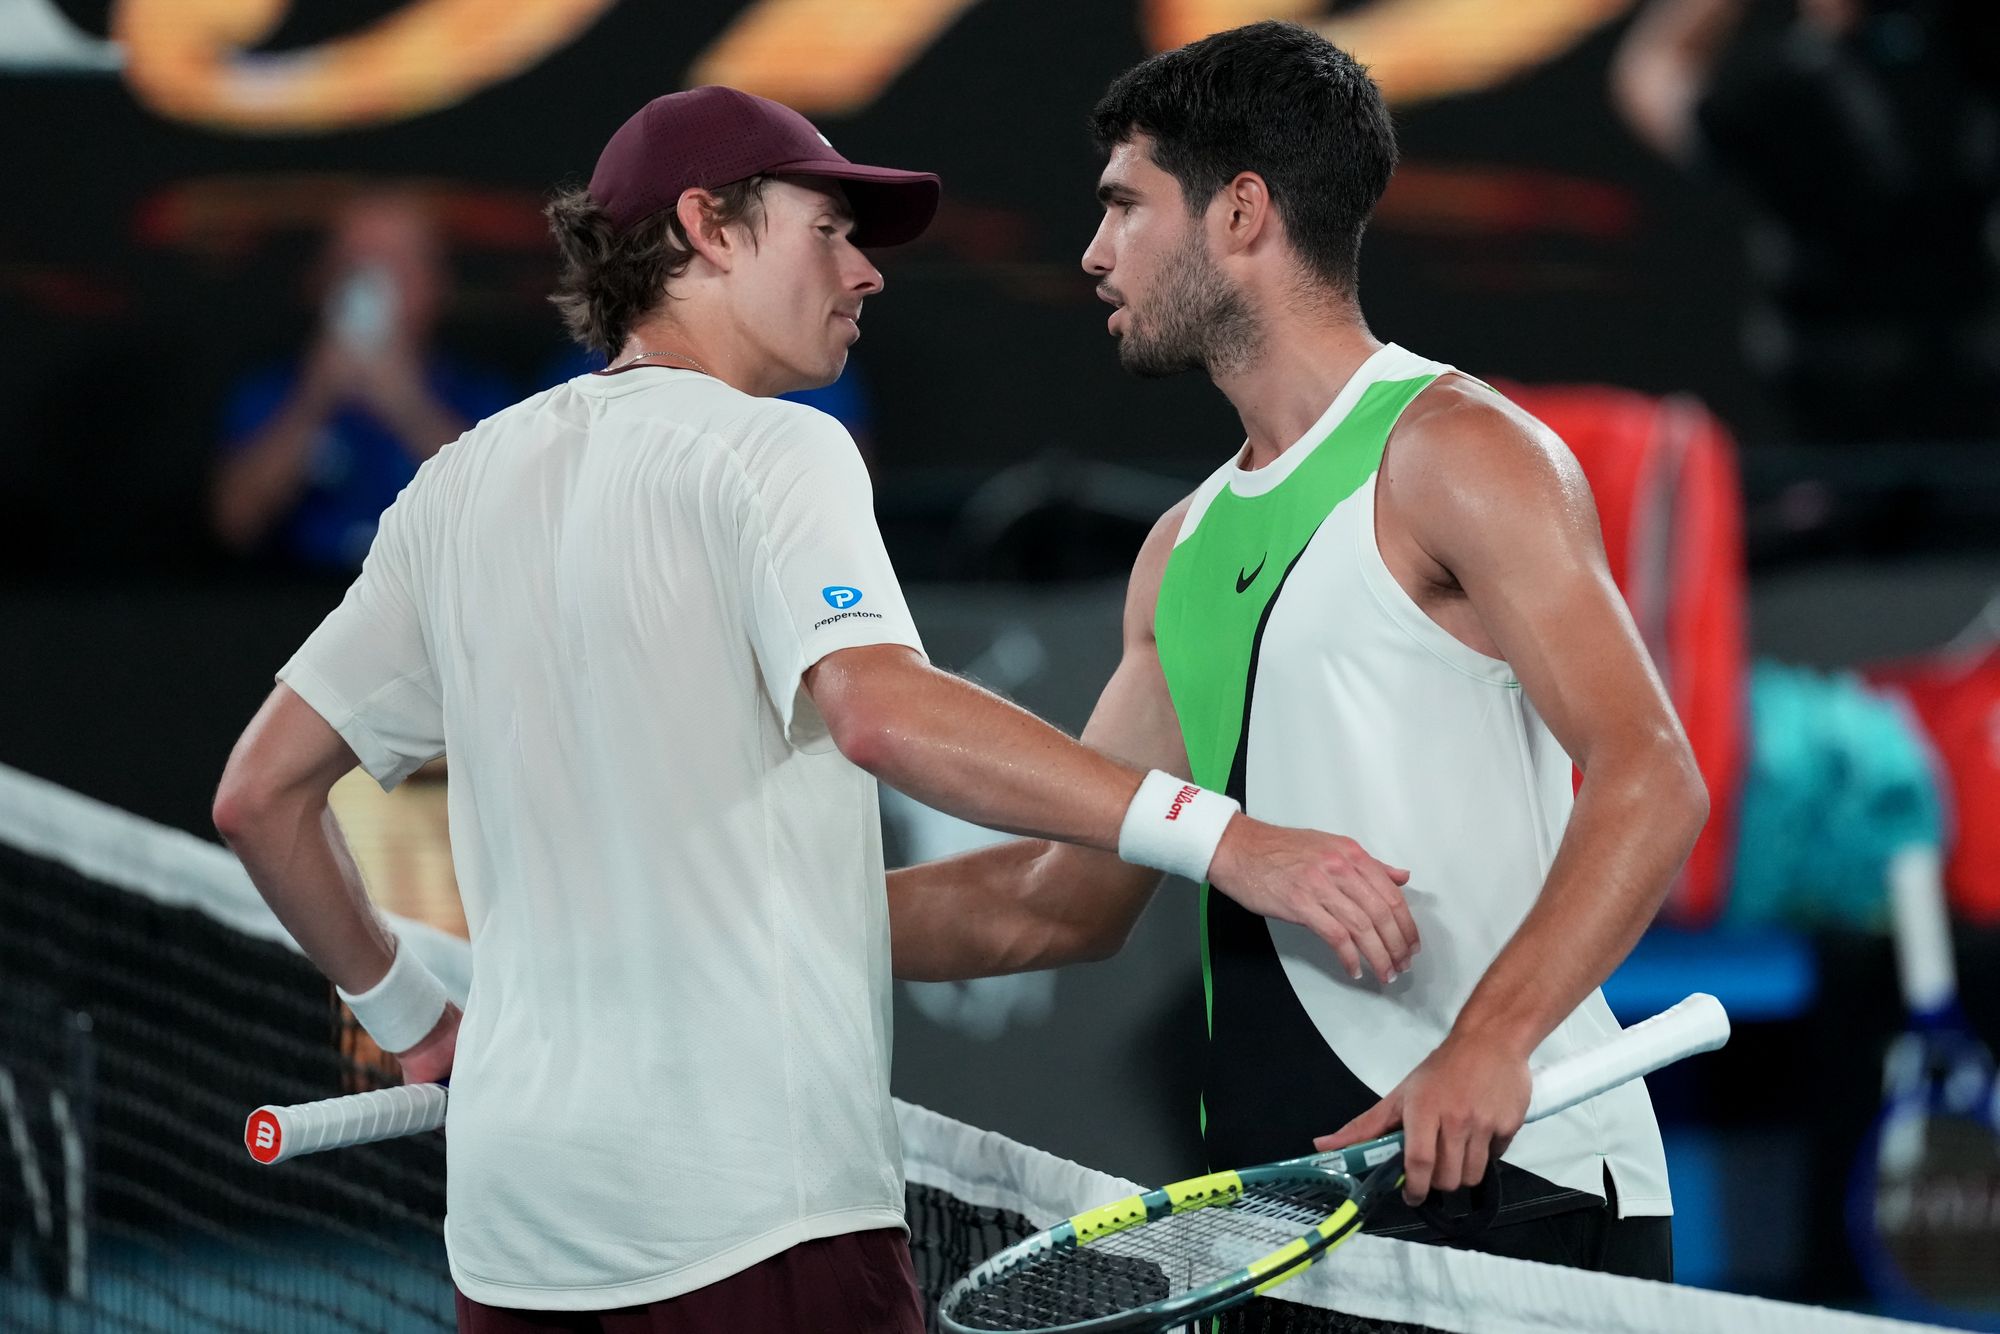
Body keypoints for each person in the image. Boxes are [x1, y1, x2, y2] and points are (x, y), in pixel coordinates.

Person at [210, 85, 1416, 1332]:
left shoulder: (451, 490)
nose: (864, 274)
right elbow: (881, 715)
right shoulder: (776, 449)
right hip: (752, 1226)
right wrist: (1226, 837)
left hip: (512, 1248)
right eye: (826, 232)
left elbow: (260, 796)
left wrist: (408, 1012)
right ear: (708, 228)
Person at [887, 22, 1708, 1279]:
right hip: (1277, 1217)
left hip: (1515, 1180)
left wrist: (1486, 1043)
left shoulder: (1456, 451)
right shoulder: (1179, 549)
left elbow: (1652, 771)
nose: (1094, 253)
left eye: (1123, 206)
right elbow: (1052, 899)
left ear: (1240, 213)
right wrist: (754, 919)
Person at [1612, 0, 2000, 444]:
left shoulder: (1782, 86)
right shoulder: (1968, 66)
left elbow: (1654, 74)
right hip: (1939, 413)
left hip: (1837, 420)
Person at [209, 194, 513, 570]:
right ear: (320, 282)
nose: (375, 285)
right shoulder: (272, 389)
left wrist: (405, 403)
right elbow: (235, 522)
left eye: (397, 265)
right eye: (355, 265)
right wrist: (313, 400)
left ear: (436, 285)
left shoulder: (482, 396)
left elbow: (505, 520)